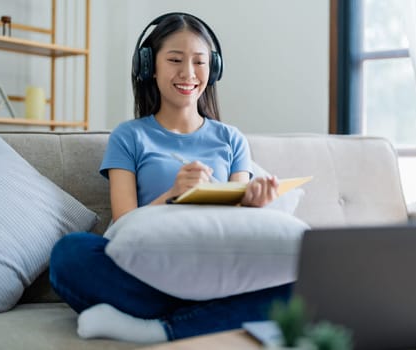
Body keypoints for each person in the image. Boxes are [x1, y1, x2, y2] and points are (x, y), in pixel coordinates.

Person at [49, 12, 292, 344]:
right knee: (70, 253)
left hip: (216, 270)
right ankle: (203, 318)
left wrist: (254, 203)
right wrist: (173, 196)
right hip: (148, 272)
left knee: (307, 280)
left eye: (200, 62)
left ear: (214, 68)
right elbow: (122, 224)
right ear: (149, 66)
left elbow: (241, 230)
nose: (188, 73)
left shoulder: (232, 139)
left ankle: (159, 327)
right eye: (175, 59)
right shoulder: (129, 136)